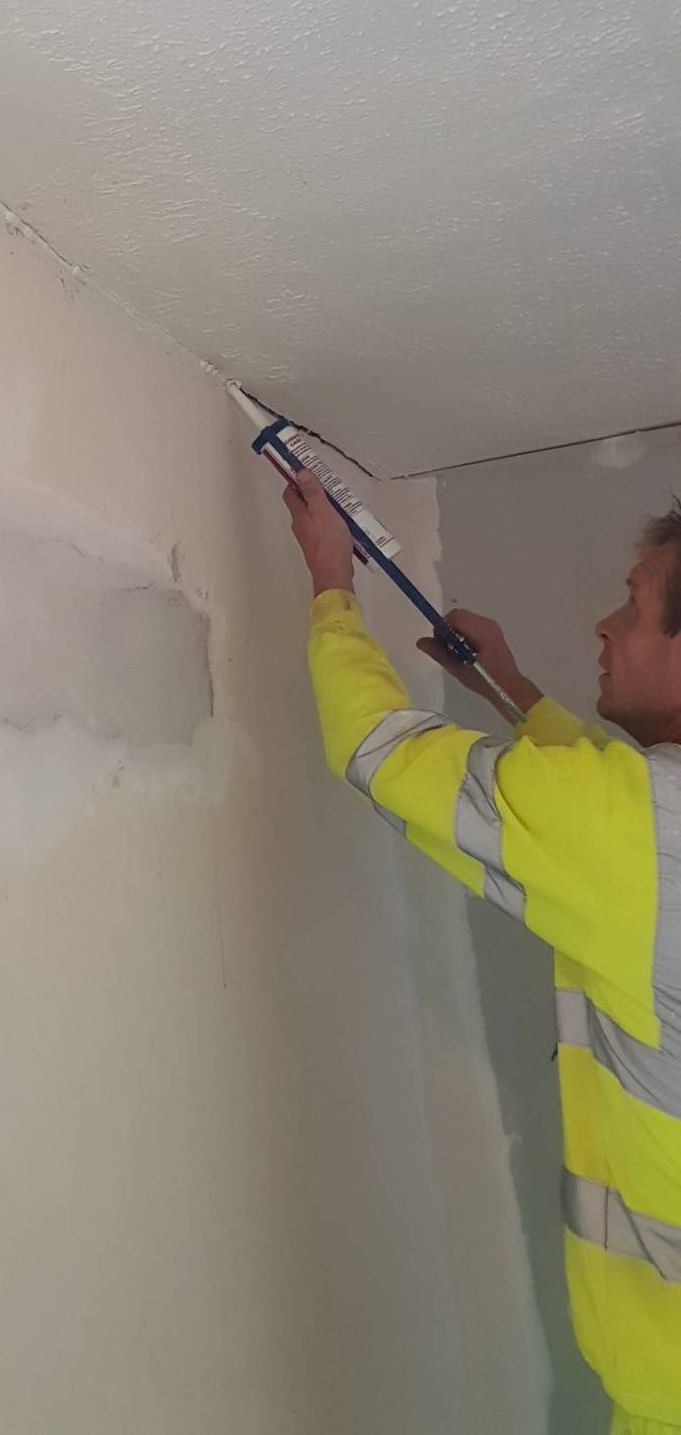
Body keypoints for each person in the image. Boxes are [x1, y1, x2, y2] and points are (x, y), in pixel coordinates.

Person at [282, 468, 681, 1435]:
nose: (603, 626)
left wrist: (331, 585)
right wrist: (512, 689)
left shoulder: (630, 827)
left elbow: (380, 748)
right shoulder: (642, 824)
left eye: (632, 606)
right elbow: (607, 813)